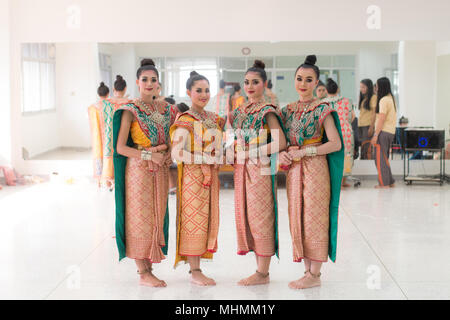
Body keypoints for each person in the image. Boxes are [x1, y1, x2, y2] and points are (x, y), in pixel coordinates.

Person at [279, 55, 344, 290]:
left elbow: (335, 144)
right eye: (299, 79)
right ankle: (307, 271)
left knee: (315, 218)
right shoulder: (287, 111)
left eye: (309, 80)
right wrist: (284, 153)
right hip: (294, 171)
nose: (303, 84)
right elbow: (283, 143)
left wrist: (305, 152)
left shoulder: (322, 108)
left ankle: (315, 275)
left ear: (317, 83)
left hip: (316, 170)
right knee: (298, 216)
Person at [113, 58, 178, 287]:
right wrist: (150, 156)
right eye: (145, 79)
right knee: (138, 217)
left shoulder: (167, 109)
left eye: (153, 79)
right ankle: (142, 271)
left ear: (158, 83)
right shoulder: (130, 110)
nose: (149, 83)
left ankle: (149, 264)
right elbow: (121, 147)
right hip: (138, 171)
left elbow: (173, 138)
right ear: (137, 83)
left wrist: (169, 152)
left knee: (156, 215)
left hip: (160, 170)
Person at [230, 60, 287, 286]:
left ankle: (263, 273)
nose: (250, 86)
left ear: (264, 84)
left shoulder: (267, 111)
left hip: (263, 168)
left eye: (255, 82)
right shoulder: (239, 111)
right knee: (249, 217)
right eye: (247, 82)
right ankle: (259, 270)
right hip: (243, 168)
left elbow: (280, 141)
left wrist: (252, 152)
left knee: (262, 217)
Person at [170, 71, 225, 286]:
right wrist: (204, 158)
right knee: (194, 221)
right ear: (188, 93)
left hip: (210, 176)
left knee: (206, 220)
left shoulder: (213, 119)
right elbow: (177, 153)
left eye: (206, 90)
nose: (203, 94)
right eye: (198, 90)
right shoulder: (185, 120)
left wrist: (218, 157)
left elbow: (219, 148)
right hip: (193, 179)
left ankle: (198, 266)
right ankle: (194, 270)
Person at [322, 78, 355, 188]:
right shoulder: (347, 101)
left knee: (331, 156)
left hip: (330, 133)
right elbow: (353, 117)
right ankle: (343, 181)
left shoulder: (323, 103)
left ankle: (333, 182)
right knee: (346, 155)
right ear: (338, 89)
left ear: (326, 91)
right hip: (346, 132)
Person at [88, 82, 116, 190]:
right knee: (109, 156)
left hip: (98, 138)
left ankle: (99, 181)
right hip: (109, 136)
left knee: (99, 155)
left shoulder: (92, 108)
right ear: (108, 93)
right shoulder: (112, 106)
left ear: (98, 94)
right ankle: (110, 181)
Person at [370, 77, 397, 188]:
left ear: (381, 87)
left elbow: (381, 118)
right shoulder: (390, 98)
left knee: (379, 159)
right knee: (384, 157)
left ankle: (384, 183)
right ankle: (390, 181)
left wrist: (375, 134)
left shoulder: (383, 100)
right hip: (390, 132)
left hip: (383, 132)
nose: (375, 88)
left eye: (376, 86)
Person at [358, 79, 377, 159]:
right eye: (360, 87)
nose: (361, 89)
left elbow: (374, 113)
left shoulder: (373, 97)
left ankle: (368, 167)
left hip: (367, 125)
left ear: (369, 87)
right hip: (361, 125)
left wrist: (371, 127)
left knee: (366, 148)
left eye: (363, 87)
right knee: (363, 148)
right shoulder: (364, 98)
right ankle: (364, 167)